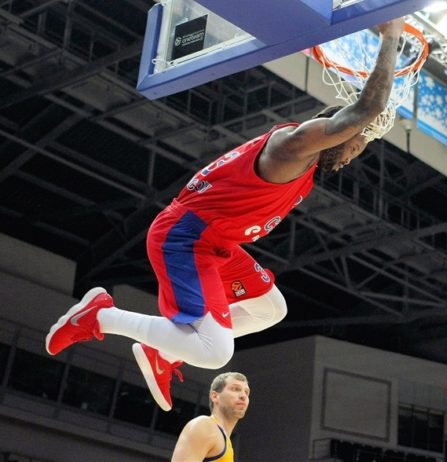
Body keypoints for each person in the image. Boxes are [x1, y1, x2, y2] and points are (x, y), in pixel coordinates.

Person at [45, 18, 405, 411]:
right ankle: (100, 316)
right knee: (215, 353)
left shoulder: (305, 165)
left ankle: (164, 351)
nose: (350, 159)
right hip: (186, 237)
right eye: (354, 148)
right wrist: (391, 35)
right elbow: (368, 108)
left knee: (271, 309)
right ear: (339, 131)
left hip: (215, 243)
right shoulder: (293, 146)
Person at [171, 372, 249, 462]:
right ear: (215, 396)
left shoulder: (227, 444)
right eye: (235, 389)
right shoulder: (204, 426)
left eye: (246, 392)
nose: (243, 396)